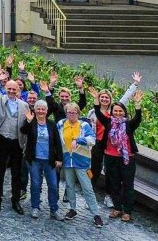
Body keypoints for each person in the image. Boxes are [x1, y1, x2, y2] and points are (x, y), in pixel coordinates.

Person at [96, 92, 144, 222]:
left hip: (127, 158)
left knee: (128, 185)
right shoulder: (108, 122)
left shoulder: (128, 124)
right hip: (111, 157)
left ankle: (127, 211)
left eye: (120, 111)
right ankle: (117, 208)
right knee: (114, 184)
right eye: (115, 111)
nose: (117, 113)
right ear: (112, 112)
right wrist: (96, 100)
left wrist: (137, 103)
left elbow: (138, 119)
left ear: (124, 112)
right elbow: (98, 114)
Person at [57, 102, 104, 227]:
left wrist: (78, 140)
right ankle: (73, 209)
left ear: (78, 113)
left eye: (74, 113)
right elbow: (57, 141)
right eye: (69, 112)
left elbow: (92, 140)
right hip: (67, 160)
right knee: (69, 186)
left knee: (87, 188)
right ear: (66, 113)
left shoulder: (84, 125)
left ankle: (96, 214)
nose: (71, 115)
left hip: (82, 162)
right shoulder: (61, 124)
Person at [0, 79, 29, 214]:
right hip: (2, 138)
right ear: (5, 88)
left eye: (14, 89)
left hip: (17, 141)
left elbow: (26, 124)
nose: (11, 91)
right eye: (9, 89)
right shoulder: (0, 99)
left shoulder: (24, 105)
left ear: (19, 90)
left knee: (16, 172)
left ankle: (15, 200)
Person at [21, 99, 63, 219]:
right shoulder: (31, 122)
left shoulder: (51, 124)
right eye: (38, 109)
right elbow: (23, 131)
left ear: (46, 111)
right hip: (34, 159)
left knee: (53, 185)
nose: (40, 111)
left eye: (43, 109)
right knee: (35, 184)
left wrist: (59, 159)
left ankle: (54, 209)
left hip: (49, 160)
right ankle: (35, 207)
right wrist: (28, 121)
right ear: (35, 110)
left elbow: (57, 143)